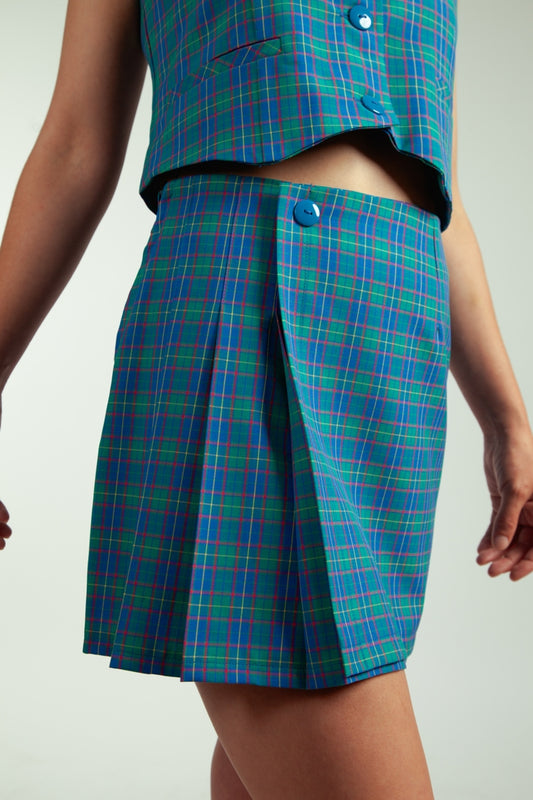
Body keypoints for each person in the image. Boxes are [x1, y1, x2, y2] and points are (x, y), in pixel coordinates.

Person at [1, 1, 532, 798]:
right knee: (320, 694)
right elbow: (75, 147)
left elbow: (438, 200)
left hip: (396, 348)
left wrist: (506, 419)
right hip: (248, 300)